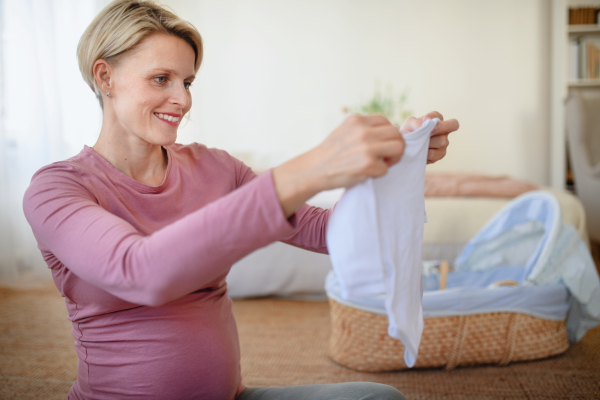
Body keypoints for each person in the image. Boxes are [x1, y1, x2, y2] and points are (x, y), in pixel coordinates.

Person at [22, 1, 459, 399]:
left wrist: (399, 162)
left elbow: (326, 231)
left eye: (188, 81)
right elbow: (141, 271)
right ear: (105, 77)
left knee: (381, 399)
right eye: (161, 79)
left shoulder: (215, 167)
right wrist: (311, 167)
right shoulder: (57, 189)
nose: (183, 99)